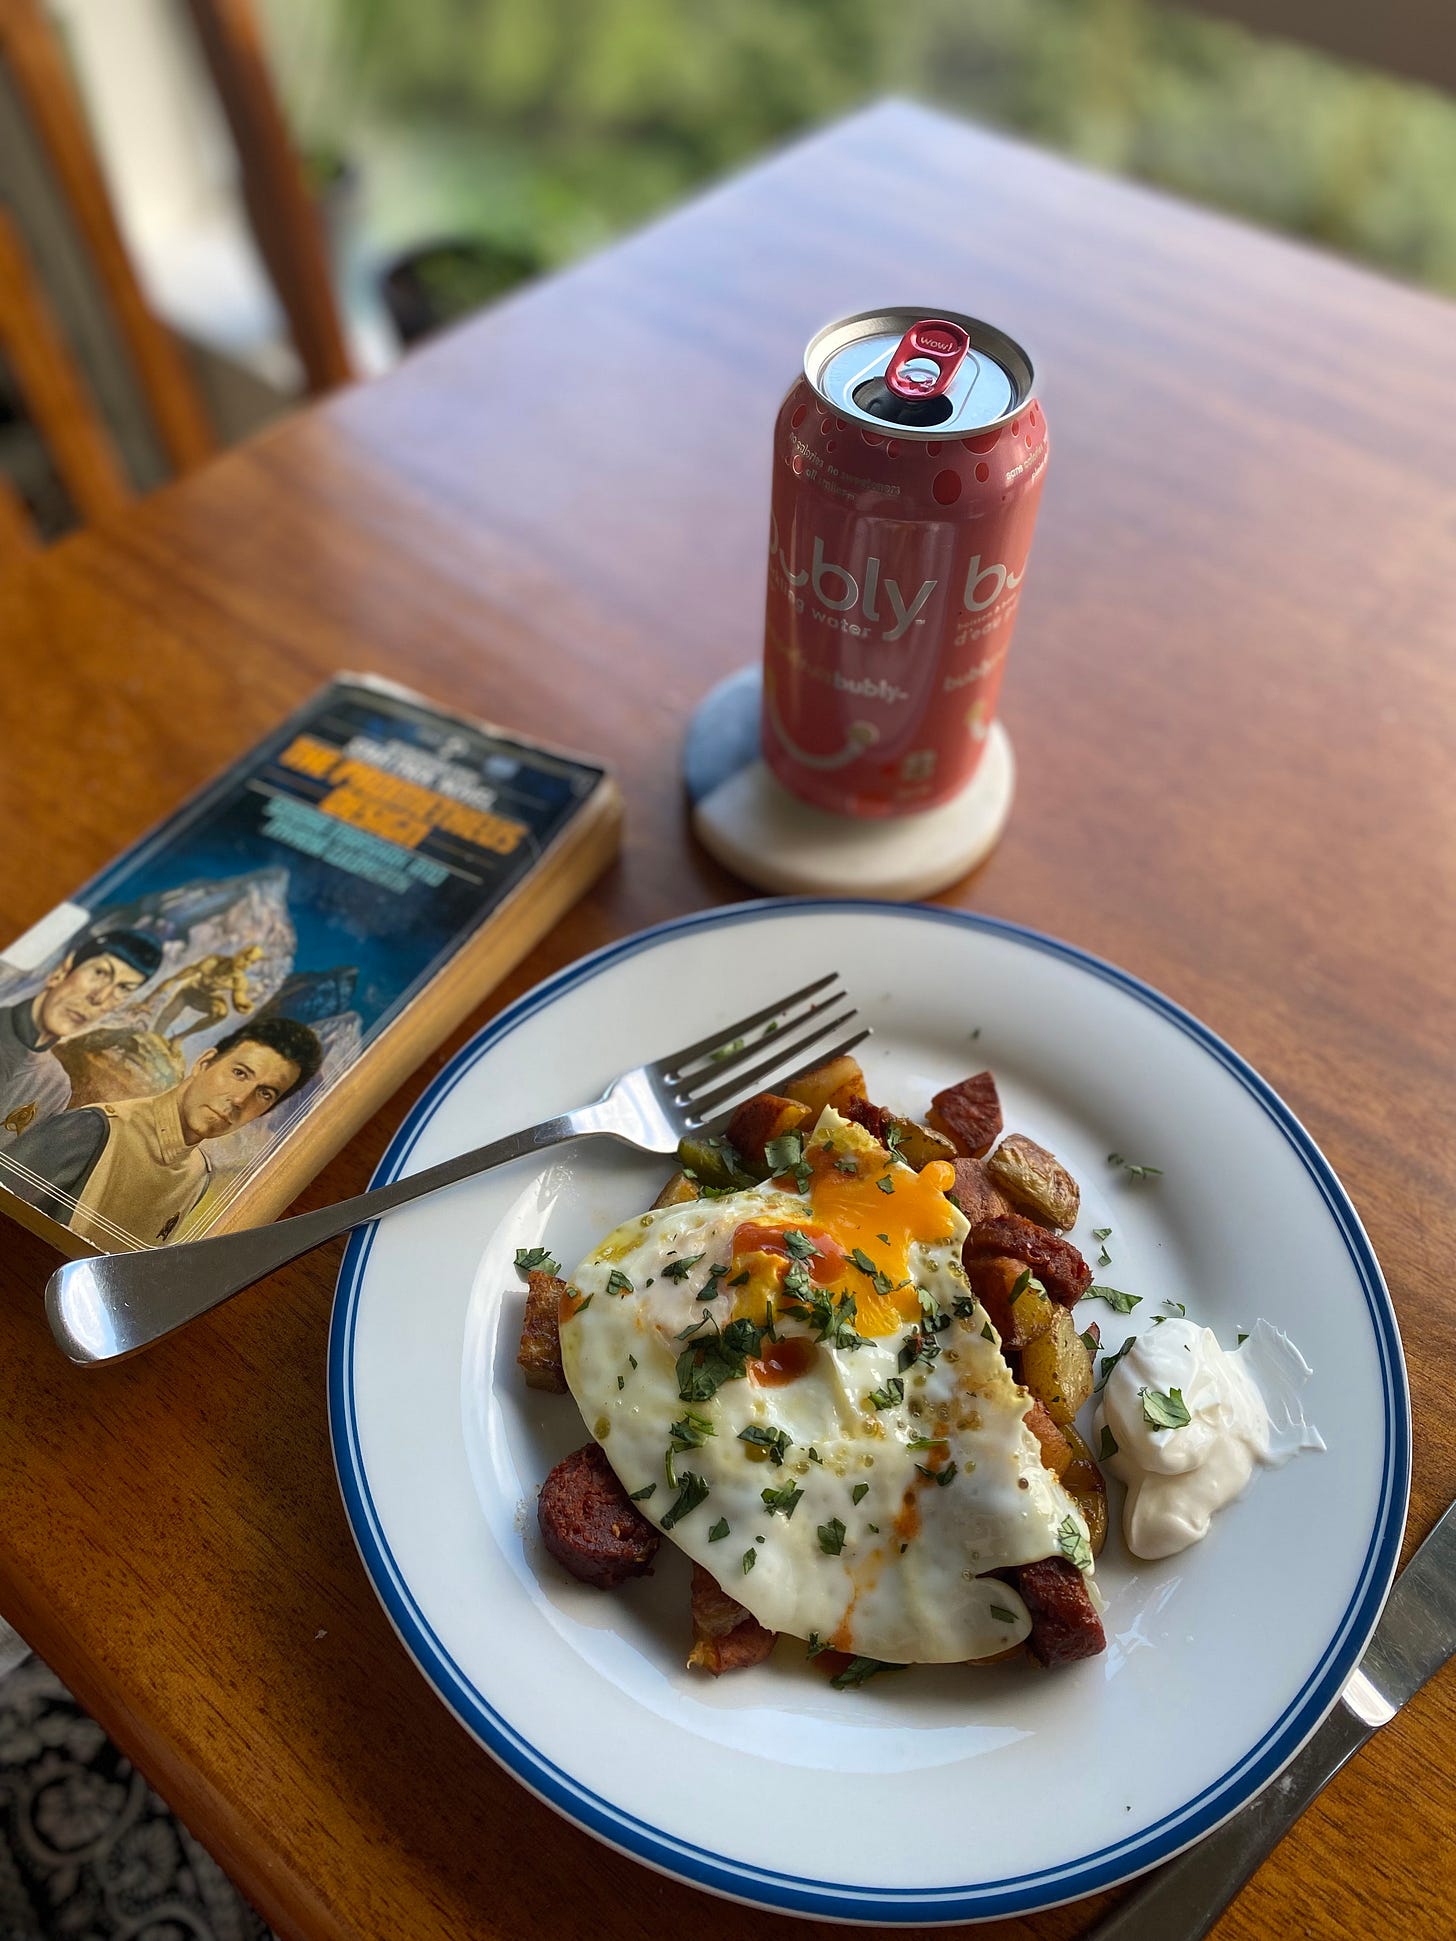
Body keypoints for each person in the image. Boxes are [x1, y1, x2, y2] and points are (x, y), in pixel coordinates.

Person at [0, 1015, 322, 1248]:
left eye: (265, 1094)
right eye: (239, 1072)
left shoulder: (197, 1177)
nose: (240, 1100)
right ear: (204, 1063)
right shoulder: (94, 1130)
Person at [0, 929, 163, 1148]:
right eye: (100, 973)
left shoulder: (54, 1086)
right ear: (63, 970)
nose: (99, 998)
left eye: (123, 989)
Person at [149, 943, 265, 1046]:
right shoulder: (213, 962)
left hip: (207, 999)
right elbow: (175, 979)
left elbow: (239, 1001)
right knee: (166, 1018)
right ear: (239, 953)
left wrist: (245, 1007)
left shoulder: (239, 980)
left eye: (251, 962)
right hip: (189, 992)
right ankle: (152, 1037)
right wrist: (148, 1001)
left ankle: (179, 1038)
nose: (246, 964)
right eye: (246, 958)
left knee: (221, 1012)